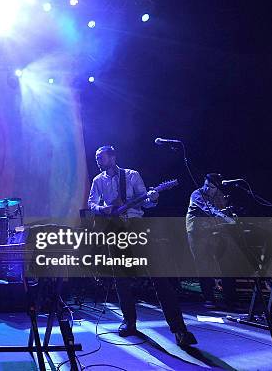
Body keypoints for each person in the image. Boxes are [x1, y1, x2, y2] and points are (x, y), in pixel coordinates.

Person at [87, 145, 197, 347]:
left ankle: (179, 329)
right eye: (96, 157)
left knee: (159, 277)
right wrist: (104, 208)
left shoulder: (131, 175)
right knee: (121, 280)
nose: (98, 160)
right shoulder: (97, 181)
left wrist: (153, 197)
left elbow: (145, 202)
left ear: (112, 156)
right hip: (115, 231)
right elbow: (91, 203)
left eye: (101, 156)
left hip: (137, 228)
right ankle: (129, 322)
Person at [186, 173, 238, 309]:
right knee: (203, 265)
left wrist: (231, 215)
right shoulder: (196, 194)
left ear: (217, 187)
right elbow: (210, 210)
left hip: (214, 231)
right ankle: (209, 299)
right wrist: (227, 219)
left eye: (212, 187)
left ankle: (230, 299)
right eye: (206, 185)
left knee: (227, 263)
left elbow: (224, 210)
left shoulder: (220, 194)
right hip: (196, 232)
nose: (208, 189)